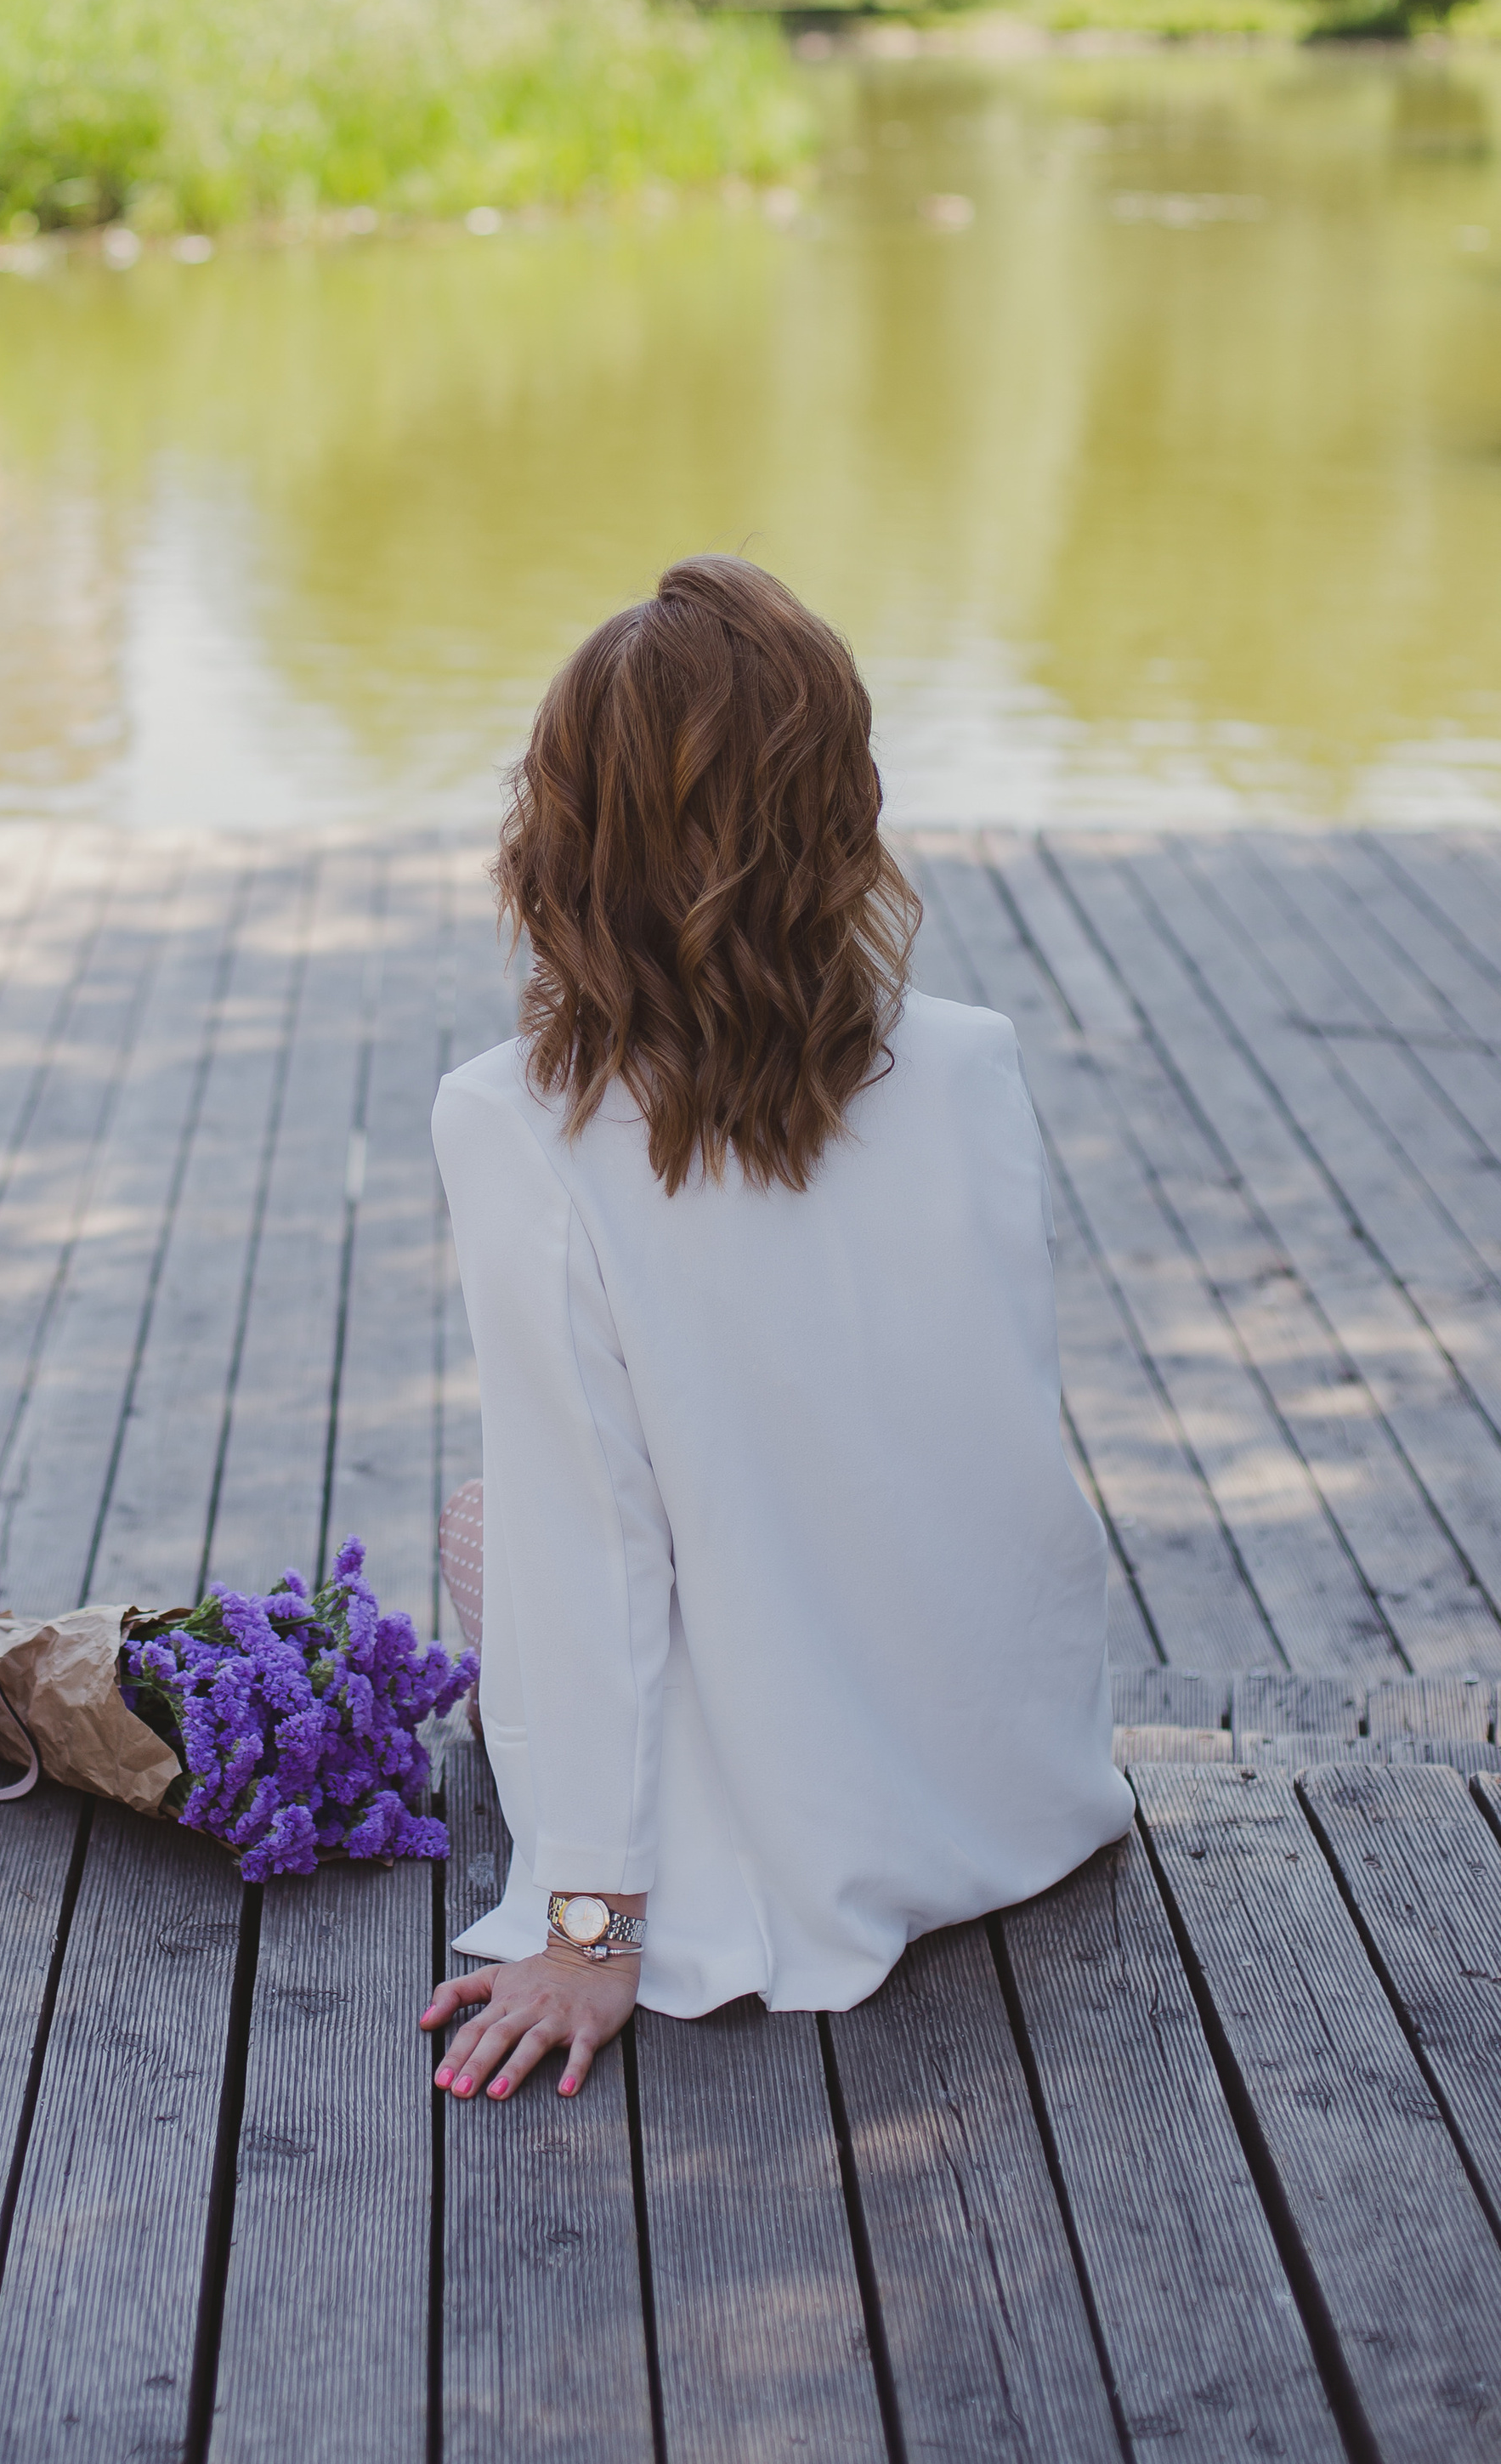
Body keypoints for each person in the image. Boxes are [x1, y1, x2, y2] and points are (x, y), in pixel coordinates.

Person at [417, 556, 1132, 2110]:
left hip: (788, 1835)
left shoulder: (515, 1122)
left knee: (494, 1535)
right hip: (1015, 1772)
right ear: (841, 810)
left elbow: (594, 1540)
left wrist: (586, 1928)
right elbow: (982, 1436)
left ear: (565, 837)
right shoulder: (970, 1062)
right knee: (534, 1538)